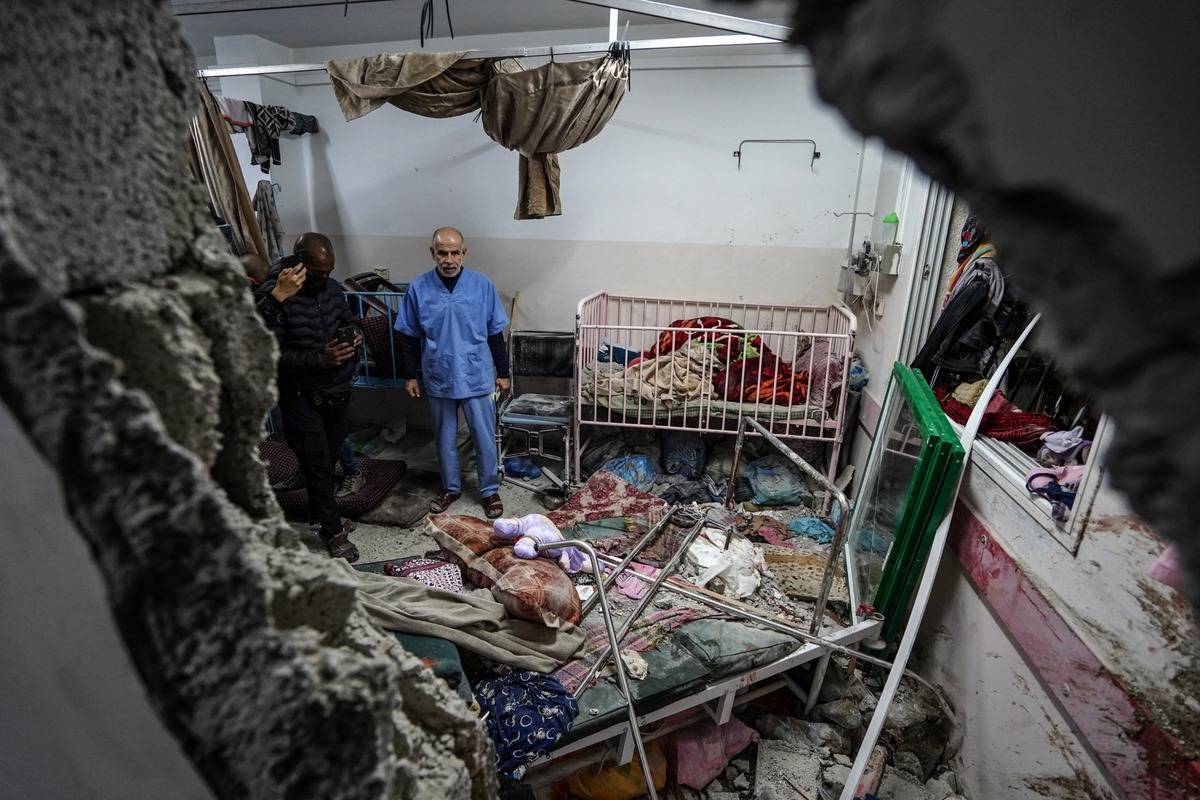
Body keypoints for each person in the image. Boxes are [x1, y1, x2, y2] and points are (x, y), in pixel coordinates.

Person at [256, 233, 363, 561]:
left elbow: (348, 320)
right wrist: (320, 358)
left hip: (336, 390)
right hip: (300, 394)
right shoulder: (274, 294)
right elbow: (265, 350)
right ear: (299, 261)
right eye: (317, 273)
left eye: (329, 271)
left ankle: (321, 513)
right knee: (318, 464)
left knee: (327, 460)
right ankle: (333, 532)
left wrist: (355, 336)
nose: (324, 279)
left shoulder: (331, 289)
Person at [394, 227, 511, 518]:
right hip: (440, 373)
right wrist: (410, 375)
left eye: (454, 252)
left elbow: (496, 332)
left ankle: (489, 490)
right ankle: (450, 487)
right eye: (442, 253)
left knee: (483, 435)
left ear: (464, 252)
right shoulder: (418, 288)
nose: (449, 259)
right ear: (432, 253)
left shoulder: (482, 285)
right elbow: (408, 335)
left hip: (476, 372)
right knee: (444, 437)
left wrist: (504, 372)